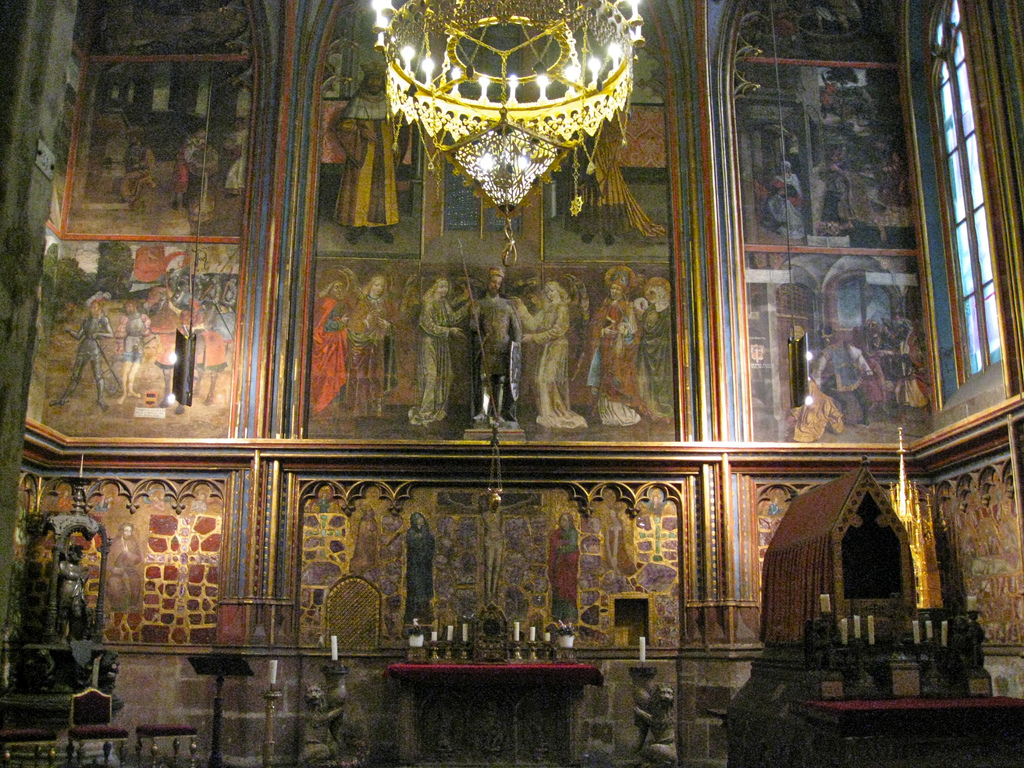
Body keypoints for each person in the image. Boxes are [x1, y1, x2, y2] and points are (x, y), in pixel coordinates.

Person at [332, 65, 399, 244]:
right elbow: (343, 125)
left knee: (383, 185)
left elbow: (398, 125)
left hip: (384, 148)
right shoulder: (358, 101)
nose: (375, 83)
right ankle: (357, 224)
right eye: (372, 79)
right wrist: (361, 129)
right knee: (360, 185)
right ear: (366, 81)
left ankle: (382, 225)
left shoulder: (388, 100)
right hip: (363, 150)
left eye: (378, 79)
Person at [514, 280, 587, 430]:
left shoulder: (562, 308)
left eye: (552, 290)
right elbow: (533, 324)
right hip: (547, 347)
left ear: (559, 291)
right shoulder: (547, 309)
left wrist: (534, 338)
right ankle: (548, 413)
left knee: (547, 379)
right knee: (540, 379)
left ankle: (554, 413)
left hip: (558, 347)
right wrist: (521, 307)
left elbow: (558, 331)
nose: (549, 294)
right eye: (547, 292)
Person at [581, 266, 641, 426]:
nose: (614, 291)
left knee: (617, 377)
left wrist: (625, 330)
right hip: (605, 346)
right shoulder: (605, 305)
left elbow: (633, 331)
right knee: (603, 375)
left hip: (618, 349)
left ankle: (618, 412)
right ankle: (606, 413)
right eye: (612, 288)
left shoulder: (627, 307)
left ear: (623, 291)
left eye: (617, 289)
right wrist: (602, 330)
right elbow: (595, 324)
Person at [408, 277, 467, 426]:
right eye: (441, 287)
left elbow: (452, 318)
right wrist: (449, 331)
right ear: (434, 287)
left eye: (446, 287)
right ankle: (425, 411)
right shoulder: (428, 303)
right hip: (429, 342)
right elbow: (428, 326)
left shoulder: (444, 303)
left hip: (441, 343)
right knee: (432, 375)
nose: (444, 290)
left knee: (446, 375)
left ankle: (438, 408)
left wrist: (467, 307)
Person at [470, 267, 522, 429]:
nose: (496, 286)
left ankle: (498, 414)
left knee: (500, 381)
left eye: (499, 283)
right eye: (493, 282)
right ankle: (484, 412)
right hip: (487, 345)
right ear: (488, 283)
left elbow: (517, 329)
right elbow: (473, 326)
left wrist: (516, 348)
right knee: (485, 380)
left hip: (503, 347)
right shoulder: (480, 304)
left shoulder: (507, 305)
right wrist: (474, 315)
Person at [50, 292, 116, 411]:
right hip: (83, 348)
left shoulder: (103, 320)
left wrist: (98, 334)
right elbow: (78, 336)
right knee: (75, 375)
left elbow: (111, 334)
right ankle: (63, 399)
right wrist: (70, 331)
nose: (92, 309)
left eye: (94, 307)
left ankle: (100, 400)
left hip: (95, 349)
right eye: (91, 307)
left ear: (100, 308)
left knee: (98, 376)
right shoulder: (86, 320)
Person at [345, 274, 396, 417]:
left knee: (377, 374)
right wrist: (367, 322)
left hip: (379, 344)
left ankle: (377, 406)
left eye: (382, 286)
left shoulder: (386, 304)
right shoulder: (363, 302)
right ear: (370, 285)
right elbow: (354, 324)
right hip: (363, 344)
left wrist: (387, 325)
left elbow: (393, 324)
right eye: (376, 284)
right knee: (362, 374)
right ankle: (361, 407)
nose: (379, 288)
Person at [813, 324, 874, 425]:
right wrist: (866, 369)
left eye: (828, 338)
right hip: (848, 374)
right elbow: (858, 356)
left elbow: (820, 366)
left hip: (846, 375)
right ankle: (846, 404)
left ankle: (845, 403)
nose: (827, 340)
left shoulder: (835, 348)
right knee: (859, 395)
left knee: (825, 388)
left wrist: (817, 378)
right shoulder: (838, 347)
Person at [310, 280, 350, 414]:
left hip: (336, 347)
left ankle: (333, 405)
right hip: (327, 348)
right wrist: (339, 324)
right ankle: (324, 405)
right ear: (329, 288)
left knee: (335, 374)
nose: (339, 290)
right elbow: (321, 327)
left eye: (341, 288)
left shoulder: (340, 305)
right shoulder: (327, 304)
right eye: (336, 287)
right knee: (328, 375)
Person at [636, 277, 674, 420]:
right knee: (649, 379)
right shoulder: (650, 309)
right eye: (653, 292)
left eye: (658, 291)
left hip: (664, 350)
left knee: (664, 377)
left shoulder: (669, 310)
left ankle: (666, 408)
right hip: (648, 350)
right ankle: (652, 409)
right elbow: (646, 328)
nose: (655, 294)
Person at [114, 299, 151, 405]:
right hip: (129, 344)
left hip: (139, 344)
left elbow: (147, 332)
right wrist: (120, 347)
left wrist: (145, 332)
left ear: (135, 306)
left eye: (131, 306)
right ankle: (124, 393)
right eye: (127, 306)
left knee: (133, 371)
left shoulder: (143, 318)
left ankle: (130, 391)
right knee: (125, 370)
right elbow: (120, 334)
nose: (129, 308)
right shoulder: (125, 319)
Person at [404, 511, 435, 624]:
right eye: (418, 519)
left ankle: (425, 613)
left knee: (424, 590)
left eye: (421, 518)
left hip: (425, 567)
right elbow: (412, 546)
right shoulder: (411, 533)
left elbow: (431, 545)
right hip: (415, 567)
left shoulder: (427, 533)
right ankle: (414, 614)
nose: (420, 520)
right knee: (416, 590)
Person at [548, 511, 580, 623]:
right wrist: (561, 546)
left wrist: (562, 547)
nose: (563, 522)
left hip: (569, 568)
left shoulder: (573, 533)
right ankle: (558, 614)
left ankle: (569, 614)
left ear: (570, 522)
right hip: (559, 567)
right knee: (558, 588)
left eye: (566, 520)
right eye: (562, 520)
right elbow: (555, 545)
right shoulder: (557, 533)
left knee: (568, 590)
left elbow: (573, 547)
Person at [107, 522, 144, 612]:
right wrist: (113, 569)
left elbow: (139, 558)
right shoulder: (115, 543)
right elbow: (109, 558)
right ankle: (117, 606)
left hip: (129, 570)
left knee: (136, 581)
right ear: (122, 531)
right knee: (113, 583)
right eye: (126, 530)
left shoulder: (133, 543)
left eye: (130, 531)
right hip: (117, 570)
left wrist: (129, 554)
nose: (128, 533)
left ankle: (132, 605)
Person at [57, 544, 90, 641]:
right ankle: (62, 635)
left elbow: (83, 578)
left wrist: (84, 576)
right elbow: (61, 575)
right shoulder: (63, 565)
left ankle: (72, 635)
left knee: (76, 614)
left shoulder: (81, 568)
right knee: (64, 613)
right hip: (66, 589)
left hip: (77, 591)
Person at [119, 127, 157, 211]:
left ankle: (132, 198)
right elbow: (126, 161)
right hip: (131, 171)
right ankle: (130, 199)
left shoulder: (145, 150)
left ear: (137, 137)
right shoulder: (129, 149)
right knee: (127, 178)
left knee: (128, 179)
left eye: (133, 137)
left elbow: (149, 163)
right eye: (130, 137)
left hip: (142, 171)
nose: (131, 139)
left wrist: (139, 166)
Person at [223, 117, 249, 196]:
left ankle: (239, 190)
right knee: (233, 172)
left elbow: (240, 145)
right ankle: (234, 191)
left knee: (240, 172)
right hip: (240, 156)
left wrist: (235, 147)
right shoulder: (238, 133)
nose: (237, 126)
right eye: (236, 124)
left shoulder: (245, 133)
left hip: (244, 155)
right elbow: (232, 140)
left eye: (239, 124)